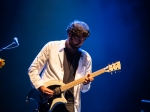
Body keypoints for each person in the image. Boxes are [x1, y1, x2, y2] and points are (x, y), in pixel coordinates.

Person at [28, 20, 94, 112]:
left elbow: (84, 89)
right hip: (49, 103)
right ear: (70, 34)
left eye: (83, 40)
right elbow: (33, 69)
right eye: (77, 38)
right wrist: (41, 87)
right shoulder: (51, 47)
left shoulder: (86, 58)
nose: (80, 43)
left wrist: (86, 83)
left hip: (71, 106)